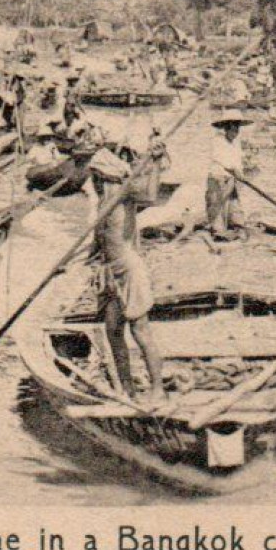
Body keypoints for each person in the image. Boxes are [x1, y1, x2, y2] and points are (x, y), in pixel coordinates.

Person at [87, 149, 164, 398]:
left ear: (103, 176)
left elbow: (151, 196)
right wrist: (84, 260)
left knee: (140, 330)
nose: (93, 182)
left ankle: (158, 389)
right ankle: (127, 389)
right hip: (111, 272)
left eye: (96, 177)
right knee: (113, 331)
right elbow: (101, 238)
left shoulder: (124, 194)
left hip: (129, 270)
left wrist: (156, 162)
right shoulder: (102, 202)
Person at [206, 115, 249, 239]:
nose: (235, 133)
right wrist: (234, 169)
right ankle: (217, 230)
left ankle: (237, 225)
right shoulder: (217, 141)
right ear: (226, 129)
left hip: (232, 178)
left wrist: (241, 172)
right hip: (218, 176)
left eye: (237, 130)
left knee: (234, 201)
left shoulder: (236, 142)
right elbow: (219, 158)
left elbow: (238, 160)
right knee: (216, 202)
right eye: (233, 130)